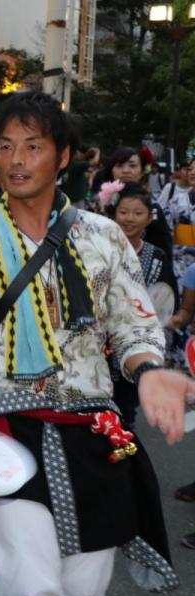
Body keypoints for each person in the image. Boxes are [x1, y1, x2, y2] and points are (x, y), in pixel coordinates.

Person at [0, 91, 189, 596]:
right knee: (28, 587)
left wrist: (148, 368)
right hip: (5, 429)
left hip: (95, 427)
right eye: (6, 146)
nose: (16, 159)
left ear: (63, 156)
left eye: (33, 146)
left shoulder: (103, 235)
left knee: (83, 588)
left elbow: (133, 322)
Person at [105, 182, 177, 430]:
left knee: (126, 411)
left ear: (149, 218)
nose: (129, 218)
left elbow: (166, 300)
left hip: (136, 344)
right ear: (114, 214)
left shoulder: (157, 256)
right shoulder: (98, 251)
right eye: (124, 212)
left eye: (138, 213)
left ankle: (125, 455)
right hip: (99, 343)